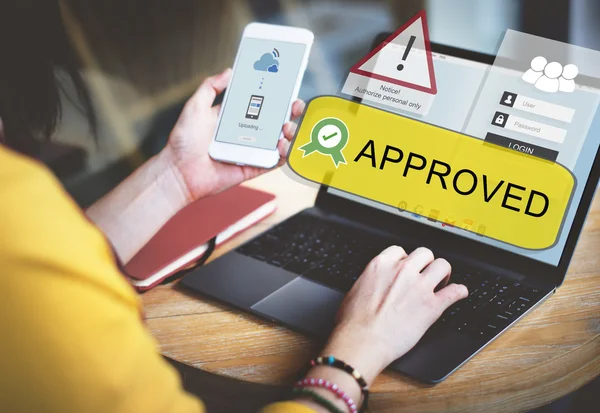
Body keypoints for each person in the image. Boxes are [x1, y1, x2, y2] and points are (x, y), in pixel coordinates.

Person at [0, 2, 468, 412]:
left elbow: (51, 257)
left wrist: (176, 176)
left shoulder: (20, 207)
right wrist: (360, 348)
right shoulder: (16, 212)